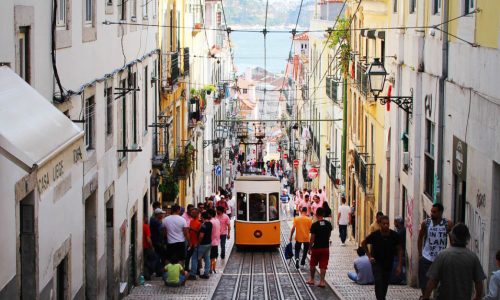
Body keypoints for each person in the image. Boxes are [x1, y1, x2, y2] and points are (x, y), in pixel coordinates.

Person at [422, 223, 485, 300]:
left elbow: (432, 281)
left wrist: (426, 297)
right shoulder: (473, 257)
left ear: (452, 237)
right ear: (467, 238)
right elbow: (479, 283)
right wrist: (477, 297)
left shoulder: (442, 255)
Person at [362, 216, 402, 300]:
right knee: (378, 282)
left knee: (384, 285)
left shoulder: (394, 236)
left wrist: (399, 265)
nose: (386, 225)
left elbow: (399, 250)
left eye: (387, 224)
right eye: (384, 224)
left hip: (388, 264)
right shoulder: (375, 235)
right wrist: (369, 256)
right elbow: (363, 243)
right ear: (380, 224)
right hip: (376, 263)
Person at [417, 203, 453, 295]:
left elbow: (452, 238)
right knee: (424, 282)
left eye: (434, 212)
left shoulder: (447, 224)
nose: (432, 214)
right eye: (431, 211)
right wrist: (420, 254)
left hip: (441, 259)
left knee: (440, 284)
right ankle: (425, 297)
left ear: (440, 213)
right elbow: (420, 237)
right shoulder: (426, 223)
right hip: (427, 257)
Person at [307, 207, 333, 287]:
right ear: (324, 214)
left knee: (312, 264)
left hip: (316, 248)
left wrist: (310, 248)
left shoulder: (314, 225)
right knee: (323, 265)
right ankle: (322, 282)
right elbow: (329, 235)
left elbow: (312, 237)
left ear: (316, 214)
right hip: (325, 248)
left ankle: (312, 279)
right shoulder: (328, 224)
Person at [190, 212, 212, 279]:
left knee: (194, 258)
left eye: (201, 217)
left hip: (202, 244)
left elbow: (201, 236)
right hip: (208, 243)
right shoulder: (210, 224)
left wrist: (198, 243)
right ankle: (206, 274)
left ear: (203, 217)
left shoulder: (203, 225)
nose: (200, 218)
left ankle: (193, 274)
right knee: (207, 258)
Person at [143, 215, 161, 279]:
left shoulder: (141, 226)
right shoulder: (146, 226)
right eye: (146, 218)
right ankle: (151, 273)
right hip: (147, 247)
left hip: (143, 248)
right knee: (154, 259)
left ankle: (146, 275)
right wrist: (151, 246)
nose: (147, 219)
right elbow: (148, 238)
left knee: (145, 262)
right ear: (144, 218)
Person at [390, 216, 407, 284]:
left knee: (400, 266)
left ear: (397, 222)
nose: (394, 224)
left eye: (395, 222)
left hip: (400, 253)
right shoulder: (400, 231)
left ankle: (401, 279)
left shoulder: (401, 232)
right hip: (399, 253)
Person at [186, 208, 201, 272]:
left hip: (196, 243)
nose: (192, 214)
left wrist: (191, 228)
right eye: (192, 213)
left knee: (197, 257)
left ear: (197, 214)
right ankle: (186, 268)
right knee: (187, 256)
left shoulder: (200, 222)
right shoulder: (191, 221)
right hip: (190, 242)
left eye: (193, 213)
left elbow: (200, 232)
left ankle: (197, 270)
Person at [208, 209, 221, 273]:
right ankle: (213, 268)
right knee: (214, 256)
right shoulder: (217, 220)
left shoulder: (211, 222)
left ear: (209, 214)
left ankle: (210, 268)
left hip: (211, 241)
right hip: (216, 241)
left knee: (210, 256)